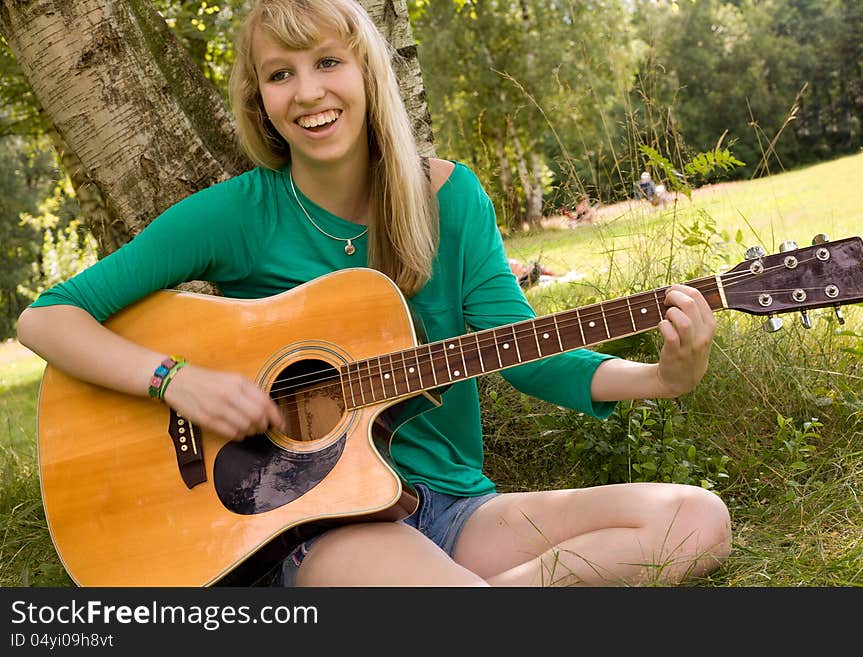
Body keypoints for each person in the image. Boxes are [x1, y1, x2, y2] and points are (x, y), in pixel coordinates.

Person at [17, 0, 730, 587]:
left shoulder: (451, 199)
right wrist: (176, 379)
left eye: (328, 61)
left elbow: (520, 348)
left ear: (368, 72)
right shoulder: (238, 214)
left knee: (696, 519)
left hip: (449, 505)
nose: (307, 93)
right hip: (318, 528)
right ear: (259, 99)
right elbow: (47, 318)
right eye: (279, 74)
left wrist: (662, 376)